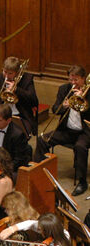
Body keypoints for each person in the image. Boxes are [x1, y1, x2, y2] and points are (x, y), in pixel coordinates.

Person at [34, 64, 90, 194]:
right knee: (42, 139)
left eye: (76, 80)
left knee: (80, 147)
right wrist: (64, 106)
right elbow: (55, 109)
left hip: (84, 132)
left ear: (83, 79)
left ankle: (82, 182)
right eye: (71, 79)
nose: (73, 83)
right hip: (66, 130)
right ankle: (39, 172)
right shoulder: (64, 89)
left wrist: (82, 99)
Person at [0, 56, 38, 136]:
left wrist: (17, 90)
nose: (6, 76)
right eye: (5, 72)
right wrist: (3, 95)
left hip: (20, 116)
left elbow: (34, 101)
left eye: (10, 73)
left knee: (16, 135)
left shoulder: (27, 79)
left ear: (17, 73)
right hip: (0, 116)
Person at [0, 103, 32, 173]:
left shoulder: (18, 135)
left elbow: (19, 159)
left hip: (9, 169)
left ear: (9, 120)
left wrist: (3, 170)